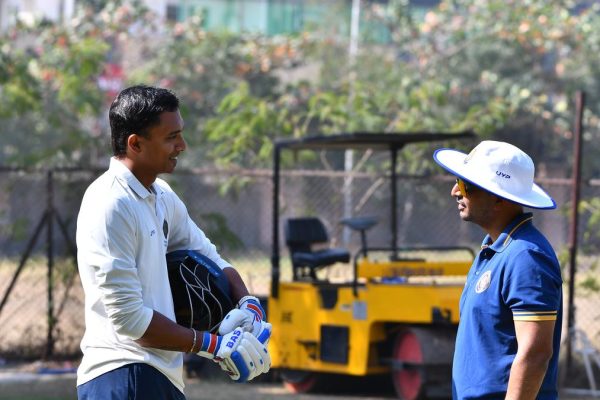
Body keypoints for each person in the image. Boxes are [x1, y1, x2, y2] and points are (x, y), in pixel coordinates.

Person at [76, 85, 271, 399]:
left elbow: (210, 256)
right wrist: (216, 346)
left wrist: (249, 306)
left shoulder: (162, 195)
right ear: (135, 144)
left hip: (159, 375)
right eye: (171, 137)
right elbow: (130, 320)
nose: (182, 145)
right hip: (123, 373)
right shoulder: (110, 203)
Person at [433, 140, 562, 400]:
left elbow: (536, 354)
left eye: (465, 184)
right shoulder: (494, 250)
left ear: (498, 198)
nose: (455, 192)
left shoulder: (526, 256)